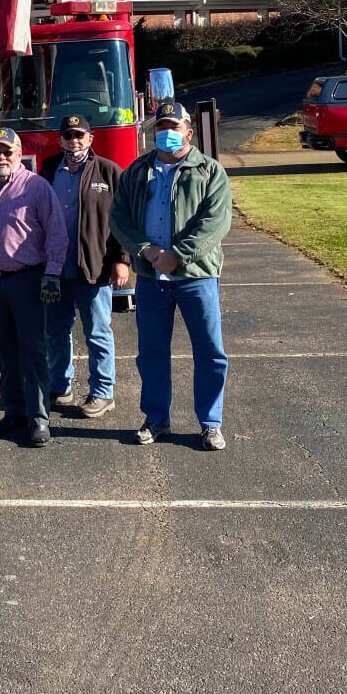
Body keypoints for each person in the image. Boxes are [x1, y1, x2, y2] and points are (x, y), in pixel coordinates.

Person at [109, 100, 232, 450]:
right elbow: (119, 218)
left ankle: (210, 423)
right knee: (151, 352)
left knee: (210, 352)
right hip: (151, 280)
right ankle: (156, 418)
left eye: (173, 128)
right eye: (160, 129)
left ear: (189, 133)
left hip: (197, 278)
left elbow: (216, 222)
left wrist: (178, 255)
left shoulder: (209, 171)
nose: (166, 135)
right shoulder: (136, 172)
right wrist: (145, 250)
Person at [0, 127, 67, 447]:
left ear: (18, 152)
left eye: (7, 152)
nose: (1, 157)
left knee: (33, 350)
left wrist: (52, 273)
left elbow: (56, 233)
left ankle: (39, 419)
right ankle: (14, 411)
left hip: (28, 280)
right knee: (5, 350)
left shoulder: (37, 187)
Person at [39, 114, 130, 419]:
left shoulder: (108, 171)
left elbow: (122, 221)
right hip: (55, 268)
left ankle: (103, 392)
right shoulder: (48, 169)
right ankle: (60, 386)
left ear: (90, 138)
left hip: (94, 267)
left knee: (97, 332)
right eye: (68, 136)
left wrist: (122, 260)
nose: (73, 141)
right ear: (59, 139)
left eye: (79, 135)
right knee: (55, 330)